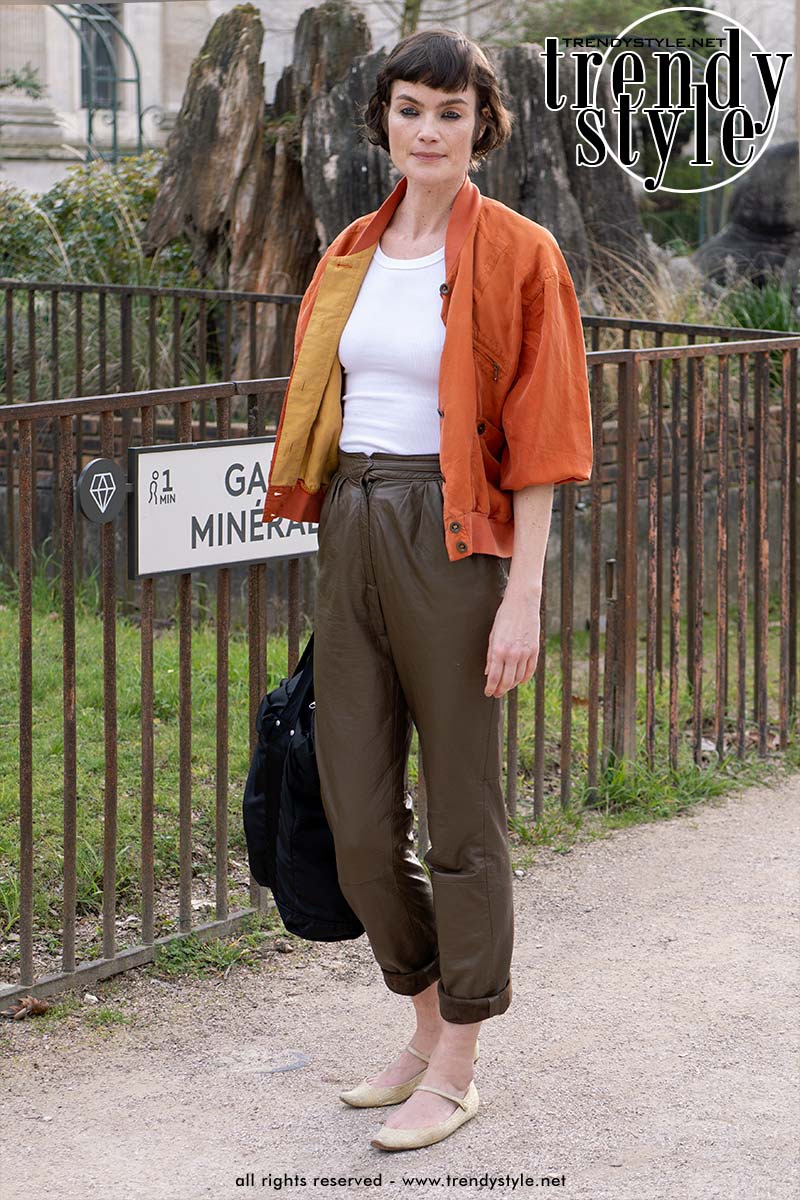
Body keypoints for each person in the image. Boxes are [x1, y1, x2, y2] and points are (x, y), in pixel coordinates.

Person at [261, 26, 593, 1152]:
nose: (429, 130)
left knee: (460, 816)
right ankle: (419, 1023)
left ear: (481, 126)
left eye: (451, 113)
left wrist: (521, 595)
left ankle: (457, 1060)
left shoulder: (521, 254)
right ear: (385, 122)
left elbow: (543, 441)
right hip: (352, 523)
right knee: (356, 818)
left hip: (454, 537)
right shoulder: (351, 250)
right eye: (410, 109)